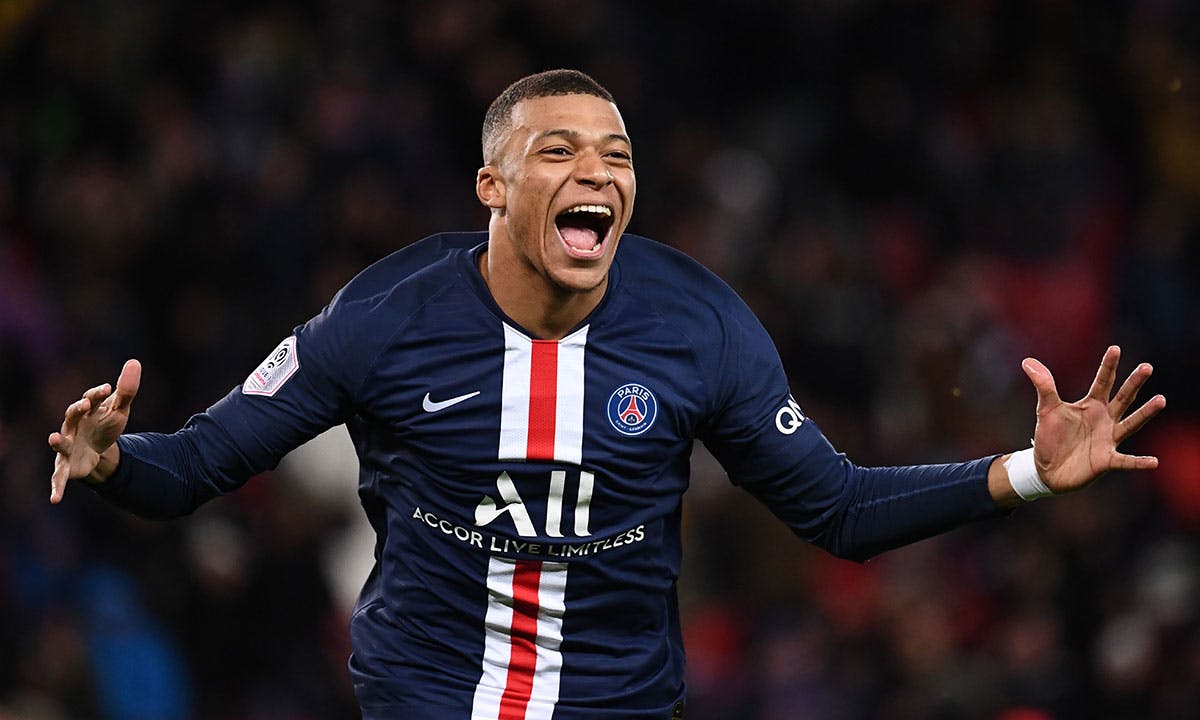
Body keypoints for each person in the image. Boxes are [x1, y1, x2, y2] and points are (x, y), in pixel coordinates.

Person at [48, 69, 1165, 720]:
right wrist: (112, 463)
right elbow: (193, 470)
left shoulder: (699, 326)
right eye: (560, 151)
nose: (598, 172)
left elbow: (837, 510)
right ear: (492, 186)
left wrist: (1026, 473)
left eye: (618, 154)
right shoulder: (384, 318)